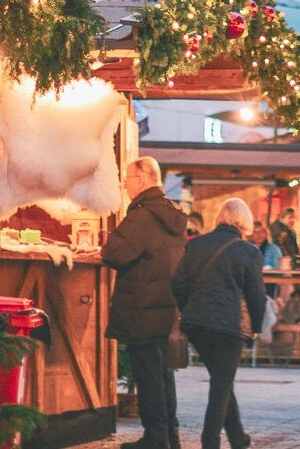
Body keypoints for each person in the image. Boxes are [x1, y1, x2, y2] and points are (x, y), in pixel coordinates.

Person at [102, 157, 189, 449]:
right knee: (163, 374)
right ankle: (169, 436)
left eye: (127, 178)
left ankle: (154, 438)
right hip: (165, 307)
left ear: (141, 179)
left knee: (149, 374)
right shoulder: (171, 213)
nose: (124, 184)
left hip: (142, 307)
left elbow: (114, 253)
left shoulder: (142, 216)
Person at [171, 198, 268, 449]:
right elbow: (257, 296)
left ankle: (238, 438)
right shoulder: (249, 251)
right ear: (244, 221)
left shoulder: (196, 245)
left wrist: (189, 309)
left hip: (197, 325)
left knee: (222, 380)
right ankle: (209, 440)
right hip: (230, 328)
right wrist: (256, 327)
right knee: (221, 384)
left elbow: (178, 284)